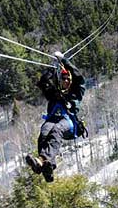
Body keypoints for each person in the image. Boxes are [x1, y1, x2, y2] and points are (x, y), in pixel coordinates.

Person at [26, 52, 86, 182]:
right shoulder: (54, 93)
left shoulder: (76, 92)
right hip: (52, 120)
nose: (65, 81)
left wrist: (64, 61)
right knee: (45, 131)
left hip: (69, 122)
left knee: (56, 130)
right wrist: (51, 69)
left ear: (70, 81)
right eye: (63, 78)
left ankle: (42, 160)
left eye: (67, 79)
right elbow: (43, 83)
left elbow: (79, 78)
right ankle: (46, 168)